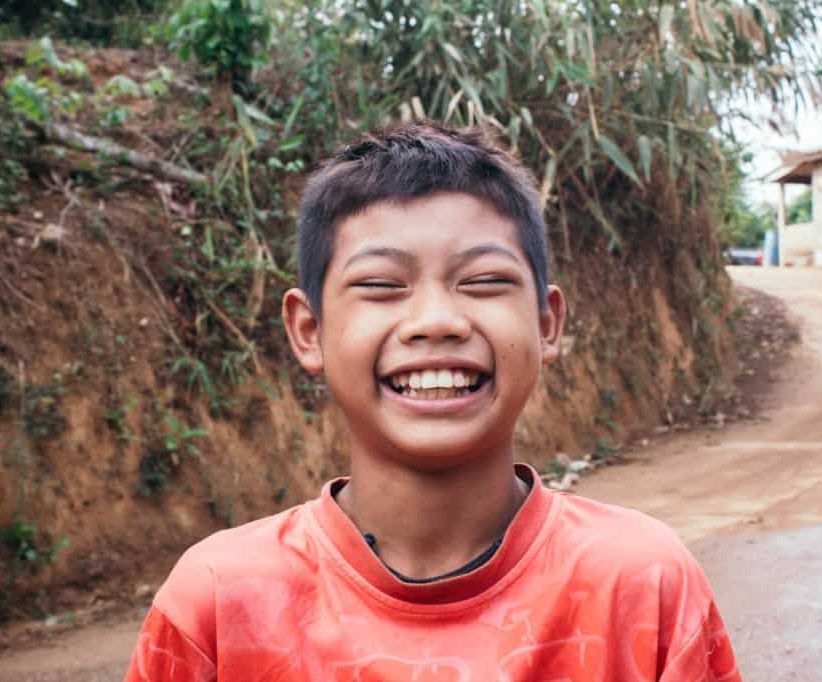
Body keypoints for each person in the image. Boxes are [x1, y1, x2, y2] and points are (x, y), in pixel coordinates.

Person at [124, 123, 740, 681]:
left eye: (483, 282)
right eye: (380, 286)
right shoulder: (218, 603)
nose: (437, 321)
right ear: (309, 331)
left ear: (546, 323)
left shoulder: (641, 585)